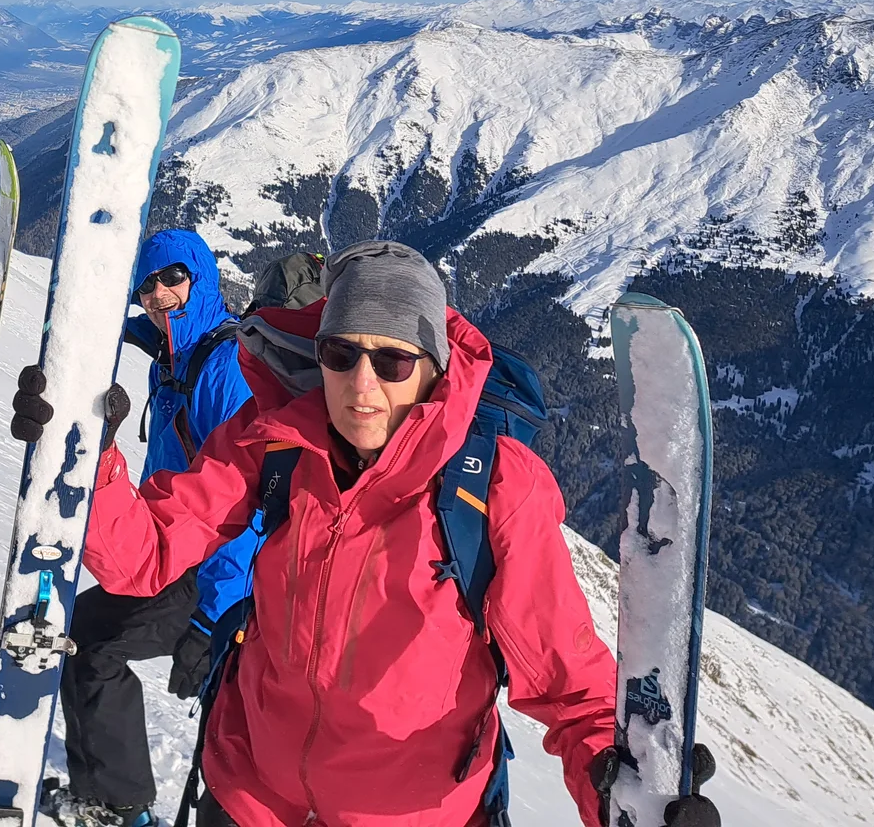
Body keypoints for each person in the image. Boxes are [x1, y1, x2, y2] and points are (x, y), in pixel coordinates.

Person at [57, 239, 720, 827]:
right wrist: (89, 461)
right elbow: (146, 558)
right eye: (341, 354)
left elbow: (567, 681)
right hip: (250, 794)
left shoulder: (489, 487)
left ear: (434, 365)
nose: (361, 384)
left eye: (393, 361)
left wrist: (613, 777)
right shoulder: (275, 443)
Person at [56, 230, 258, 827]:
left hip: (220, 575)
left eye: (171, 278)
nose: (158, 294)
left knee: (95, 650)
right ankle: (106, 796)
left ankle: (120, 807)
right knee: (78, 635)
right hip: (172, 549)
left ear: (201, 277)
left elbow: (250, 499)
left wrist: (213, 613)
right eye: (146, 285)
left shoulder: (227, 366)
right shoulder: (173, 361)